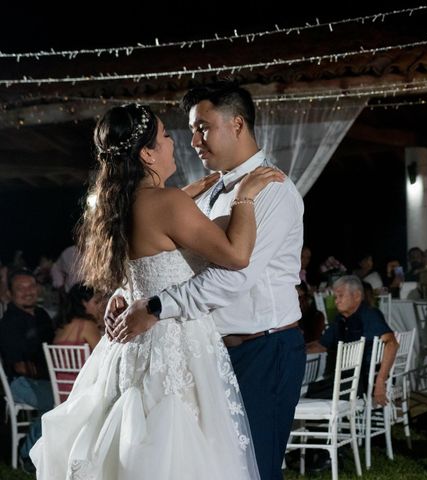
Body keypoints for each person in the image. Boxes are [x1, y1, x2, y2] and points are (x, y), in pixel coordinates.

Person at [31, 102, 283, 479]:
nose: (173, 142)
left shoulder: (118, 203)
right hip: (175, 344)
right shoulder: (168, 203)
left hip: (134, 348)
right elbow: (237, 254)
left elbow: (144, 265)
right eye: (165, 135)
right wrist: (245, 195)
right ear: (147, 152)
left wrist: (184, 195)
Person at [106, 83, 306, 480]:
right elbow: (176, 259)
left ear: (236, 124)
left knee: (257, 470)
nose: (193, 140)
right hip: (211, 353)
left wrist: (156, 306)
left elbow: (234, 277)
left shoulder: (272, 190)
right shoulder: (208, 190)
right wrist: (131, 291)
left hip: (263, 346)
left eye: (202, 127)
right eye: (190, 130)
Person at [306, 275, 399, 402]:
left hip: (367, 379)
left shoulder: (369, 315)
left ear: (356, 296)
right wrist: (297, 349)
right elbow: (322, 345)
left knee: (308, 394)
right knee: (310, 389)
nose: (336, 301)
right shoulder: (340, 319)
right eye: (335, 297)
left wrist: (381, 380)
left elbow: (392, 344)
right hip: (349, 378)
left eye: (340, 296)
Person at [0, 269, 55, 468]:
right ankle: (27, 455)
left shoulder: (41, 315)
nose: (28, 291)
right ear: (10, 293)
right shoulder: (9, 323)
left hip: (42, 379)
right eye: (20, 288)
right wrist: (53, 375)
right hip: (20, 383)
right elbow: (19, 367)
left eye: (31, 286)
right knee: (61, 401)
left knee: (72, 395)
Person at [51, 283, 103, 402]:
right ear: (83, 302)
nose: (101, 306)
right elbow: (105, 356)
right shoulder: (87, 325)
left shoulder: (62, 326)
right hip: (83, 390)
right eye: (97, 302)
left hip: (62, 390)